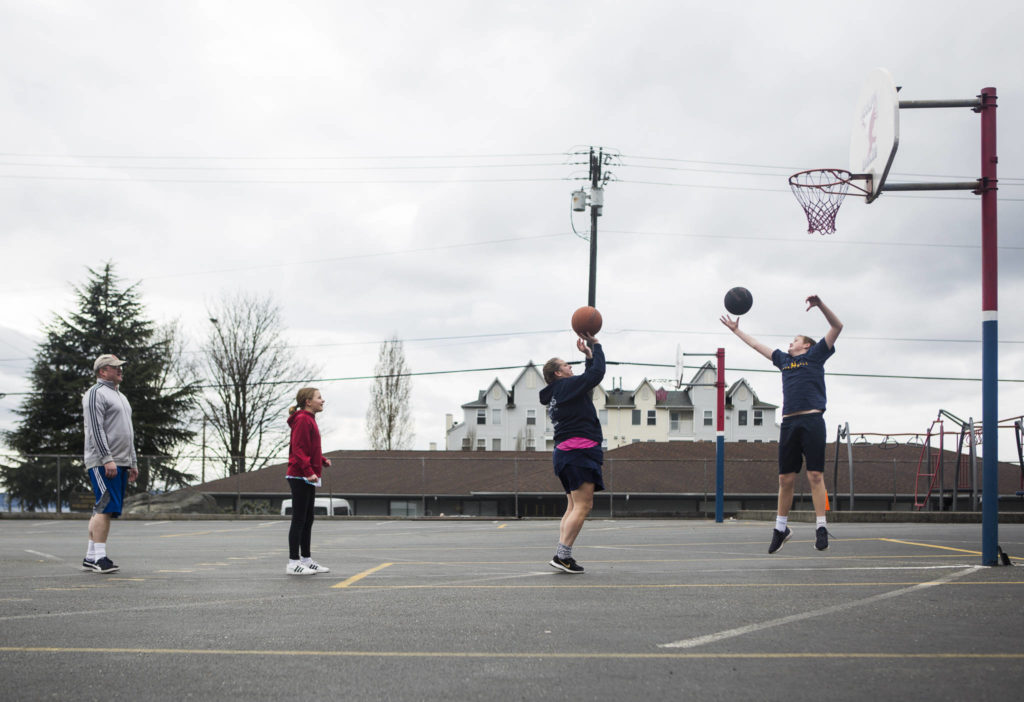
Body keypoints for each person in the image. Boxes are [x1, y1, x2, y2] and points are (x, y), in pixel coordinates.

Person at [721, 294, 842, 554]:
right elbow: (756, 345)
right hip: (788, 423)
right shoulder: (784, 361)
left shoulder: (817, 355)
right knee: (785, 479)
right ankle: (780, 528)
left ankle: (821, 526)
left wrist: (820, 305)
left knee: (815, 475)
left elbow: (837, 327)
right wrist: (737, 331)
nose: (791, 342)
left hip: (812, 420)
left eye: (796, 340)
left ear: (807, 346)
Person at [539, 332, 605, 573]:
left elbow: (588, 382)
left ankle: (562, 554)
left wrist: (588, 357)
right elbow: (595, 375)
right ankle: (562, 555)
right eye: (566, 365)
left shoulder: (560, 392)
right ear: (558, 373)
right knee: (583, 506)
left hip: (565, 453)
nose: (570, 367)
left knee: (572, 507)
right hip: (579, 451)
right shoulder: (566, 386)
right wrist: (596, 346)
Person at [82, 354, 139, 574]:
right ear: (102, 371)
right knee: (104, 507)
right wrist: (107, 459)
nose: (120, 371)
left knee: (102, 508)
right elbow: (96, 429)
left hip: (121, 461)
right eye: (115, 368)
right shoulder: (95, 394)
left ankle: (90, 556)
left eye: (120, 367)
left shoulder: (120, 397)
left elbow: (129, 432)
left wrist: (132, 461)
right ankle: (100, 558)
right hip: (103, 462)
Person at [285, 387, 332, 575]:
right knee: (299, 519)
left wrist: (321, 460)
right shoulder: (303, 419)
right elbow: (297, 449)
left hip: (307, 475)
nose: (322, 400)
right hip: (299, 475)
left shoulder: (309, 420)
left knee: (307, 519)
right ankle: (293, 562)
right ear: (308, 402)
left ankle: (305, 559)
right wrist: (308, 471)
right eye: (319, 398)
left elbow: (309, 448)